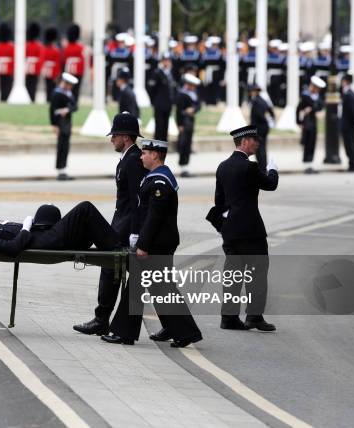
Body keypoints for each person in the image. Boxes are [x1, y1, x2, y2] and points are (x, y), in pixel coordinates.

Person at [101, 139, 203, 347]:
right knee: (161, 287)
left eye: (145, 152)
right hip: (158, 242)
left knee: (139, 286)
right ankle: (185, 332)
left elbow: (154, 217)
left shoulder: (159, 182)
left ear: (155, 155)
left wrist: (143, 245)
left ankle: (124, 332)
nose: (141, 156)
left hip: (157, 244)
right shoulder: (155, 177)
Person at [73, 112, 146, 335]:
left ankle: (101, 318)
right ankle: (102, 318)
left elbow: (137, 201)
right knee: (146, 277)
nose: (111, 139)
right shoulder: (128, 158)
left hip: (126, 227)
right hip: (121, 223)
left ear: (125, 137)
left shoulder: (133, 161)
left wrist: (135, 234)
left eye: (114, 135)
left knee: (114, 269)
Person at [211, 125, 278, 332]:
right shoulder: (249, 167)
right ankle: (254, 317)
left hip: (230, 232)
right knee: (257, 273)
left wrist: (225, 228)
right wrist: (273, 169)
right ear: (244, 142)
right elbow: (270, 184)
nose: (257, 143)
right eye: (254, 140)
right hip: (251, 231)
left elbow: (219, 202)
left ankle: (229, 318)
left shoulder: (222, 166)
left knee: (232, 275)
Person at [0, 201, 119, 258]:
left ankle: (114, 244)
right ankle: (116, 246)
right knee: (85, 208)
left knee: (50, 210)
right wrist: (26, 227)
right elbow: (12, 249)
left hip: (45, 235)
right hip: (47, 240)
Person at [50, 73, 78, 181]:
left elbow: (75, 106)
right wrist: (54, 125)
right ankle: (60, 170)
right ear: (65, 83)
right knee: (61, 145)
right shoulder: (57, 93)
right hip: (59, 122)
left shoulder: (69, 93)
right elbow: (52, 110)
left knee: (66, 145)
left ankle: (64, 168)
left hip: (67, 121)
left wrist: (67, 110)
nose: (71, 87)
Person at [296, 75, 326, 174]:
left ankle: (310, 164)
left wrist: (312, 108)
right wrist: (298, 122)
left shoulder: (317, 97)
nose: (318, 90)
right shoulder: (305, 96)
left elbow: (320, 106)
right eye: (316, 88)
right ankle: (307, 165)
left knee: (312, 143)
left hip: (313, 122)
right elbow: (299, 108)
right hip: (307, 123)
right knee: (307, 143)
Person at [175, 73, 201, 177]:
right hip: (184, 121)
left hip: (190, 121)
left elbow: (199, 105)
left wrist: (193, 109)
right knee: (183, 144)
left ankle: (186, 165)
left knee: (188, 143)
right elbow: (178, 111)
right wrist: (180, 124)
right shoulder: (182, 94)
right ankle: (183, 166)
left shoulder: (193, 94)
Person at [148, 51, 176, 142]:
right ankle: (158, 144)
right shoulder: (157, 73)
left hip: (168, 103)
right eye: (165, 60)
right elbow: (151, 89)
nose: (167, 62)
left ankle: (164, 144)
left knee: (166, 125)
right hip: (159, 104)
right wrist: (154, 101)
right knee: (159, 125)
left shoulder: (171, 73)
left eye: (168, 60)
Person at [248, 83, 275, 172]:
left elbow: (259, 115)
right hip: (263, 128)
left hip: (259, 128)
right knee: (261, 148)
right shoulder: (263, 100)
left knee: (260, 149)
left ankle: (262, 168)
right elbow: (271, 111)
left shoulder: (256, 101)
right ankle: (262, 167)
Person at [340, 74, 354, 172]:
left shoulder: (349, 94)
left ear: (345, 81)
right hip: (349, 124)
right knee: (350, 145)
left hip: (348, 125)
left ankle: (353, 164)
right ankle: (353, 163)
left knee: (350, 145)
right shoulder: (350, 93)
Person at [0, 22, 15, 102]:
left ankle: (3, 98)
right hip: (9, 67)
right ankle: (6, 98)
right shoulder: (11, 46)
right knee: (8, 85)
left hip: (1, 67)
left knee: (2, 85)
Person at [25, 22, 44, 102]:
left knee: (28, 85)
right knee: (33, 85)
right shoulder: (39, 45)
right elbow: (41, 59)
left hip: (26, 66)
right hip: (35, 67)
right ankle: (32, 99)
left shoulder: (26, 45)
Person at [42, 27, 62, 102]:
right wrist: (57, 74)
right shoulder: (55, 50)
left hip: (46, 70)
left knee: (47, 87)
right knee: (53, 88)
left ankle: (48, 100)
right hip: (53, 70)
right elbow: (57, 63)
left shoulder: (44, 49)